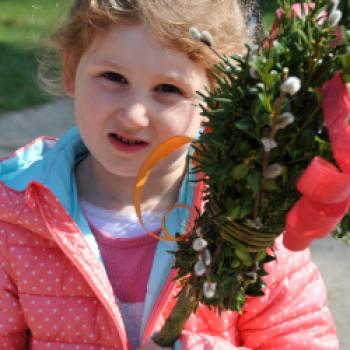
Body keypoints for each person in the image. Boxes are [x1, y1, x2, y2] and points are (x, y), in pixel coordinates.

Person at [0, 0, 338, 349]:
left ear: (218, 99)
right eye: (113, 77)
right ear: (71, 69)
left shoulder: (250, 215)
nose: (133, 115)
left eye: (168, 89)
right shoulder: (15, 213)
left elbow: (302, 340)